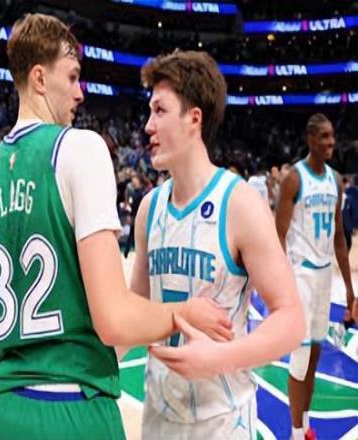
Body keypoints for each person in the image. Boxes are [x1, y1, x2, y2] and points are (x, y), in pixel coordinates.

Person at [0, 14, 231, 440]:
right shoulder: (81, 149)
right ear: (39, 78)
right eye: (73, 76)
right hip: (75, 407)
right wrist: (180, 313)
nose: (81, 92)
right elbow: (112, 320)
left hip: (7, 414)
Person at [129, 50, 305, 439]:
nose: (148, 126)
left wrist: (219, 358)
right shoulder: (148, 208)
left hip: (223, 421)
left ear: (194, 118)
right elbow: (134, 315)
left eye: (160, 111)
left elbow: (292, 318)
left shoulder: (240, 203)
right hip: (157, 416)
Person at [276, 113, 357, 440]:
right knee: (299, 358)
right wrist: (280, 285)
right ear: (310, 139)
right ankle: (296, 434)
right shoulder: (294, 179)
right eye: (324, 136)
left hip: (324, 278)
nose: (331, 142)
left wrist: (349, 288)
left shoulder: (335, 180)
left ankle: (305, 424)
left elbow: (339, 237)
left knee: (314, 356)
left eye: (332, 136)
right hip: (300, 277)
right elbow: (278, 236)